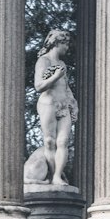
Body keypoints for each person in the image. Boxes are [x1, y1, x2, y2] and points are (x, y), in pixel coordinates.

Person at [33, 29, 78, 187]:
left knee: (63, 141)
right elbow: (39, 86)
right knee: (50, 141)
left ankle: (58, 175)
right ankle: (53, 176)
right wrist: (55, 76)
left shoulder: (62, 64)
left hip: (63, 105)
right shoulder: (43, 61)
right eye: (65, 44)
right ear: (57, 43)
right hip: (48, 103)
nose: (67, 48)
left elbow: (65, 86)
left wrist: (74, 102)